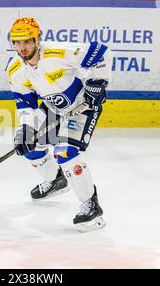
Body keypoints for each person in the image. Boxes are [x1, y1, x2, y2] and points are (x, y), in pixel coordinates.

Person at [7, 17, 112, 232]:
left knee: (64, 152)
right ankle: (56, 180)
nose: (22, 47)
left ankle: (91, 206)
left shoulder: (58, 52)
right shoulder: (15, 69)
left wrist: (97, 83)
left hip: (82, 107)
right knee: (30, 147)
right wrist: (26, 128)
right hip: (53, 108)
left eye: (27, 41)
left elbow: (101, 52)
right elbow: (25, 103)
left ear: (37, 39)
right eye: (17, 42)